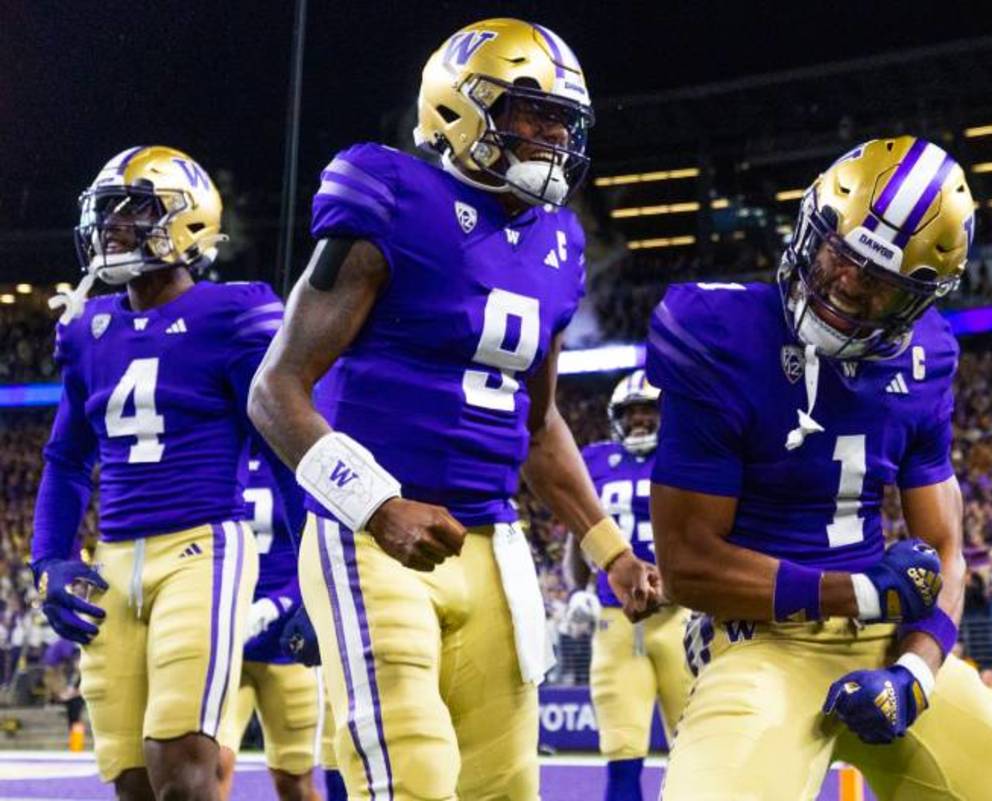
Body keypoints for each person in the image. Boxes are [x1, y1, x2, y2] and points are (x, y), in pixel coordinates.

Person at [248, 19, 661, 800]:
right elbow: (275, 390)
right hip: (371, 538)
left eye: (561, 121)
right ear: (456, 107)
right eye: (530, 113)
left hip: (491, 543)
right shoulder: (391, 193)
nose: (550, 137)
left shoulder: (561, 245)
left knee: (504, 786)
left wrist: (610, 549)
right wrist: (377, 505)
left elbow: (536, 425)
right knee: (411, 775)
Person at [646, 137, 992, 800]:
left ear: (920, 299)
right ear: (812, 226)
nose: (845, 286)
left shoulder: (927, 357)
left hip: (886, 638)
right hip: (762, 639)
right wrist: (858, 591)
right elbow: (687, 562)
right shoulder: (718, 331)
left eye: (882, 284)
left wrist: (915, 673)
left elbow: (947, 551)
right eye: (843, 255)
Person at [30, 146, 299, 801]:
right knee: (130, 777)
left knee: (180, 760)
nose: (115, 228)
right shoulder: (89, 328)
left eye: (136, 211)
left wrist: (301, 580)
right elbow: (67, 456)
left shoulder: (233, 315)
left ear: (191, 223)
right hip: (114, 558)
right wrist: (50, 557)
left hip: (203, 546)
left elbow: (289, 445)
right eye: (108, 215)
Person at [565, 369, 693, 801]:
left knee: (696, 747)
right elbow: (576, 534)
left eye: (649, 411)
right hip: (613, 622)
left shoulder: (690, 458)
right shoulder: (596, 460)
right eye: (631, 412)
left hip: (681, 621)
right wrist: (577, 591)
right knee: (622, 749)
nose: (640, 419)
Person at [217, 449, 316, 801]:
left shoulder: (294, 452)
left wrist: (276, 605)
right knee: (213, 765)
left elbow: (316, 551)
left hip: (288, 645)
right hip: (228, 640)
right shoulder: (220, 450)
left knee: (293, 785)